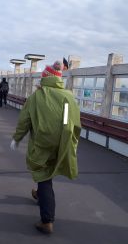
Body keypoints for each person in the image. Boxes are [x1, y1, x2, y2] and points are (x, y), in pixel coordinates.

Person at [10, 61, 81, 234]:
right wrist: (71, 142)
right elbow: (73, 123)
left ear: (44, 78)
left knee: (43, 176)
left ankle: (47, 220)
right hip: (62, 142)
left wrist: (17, 138)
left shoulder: (36, 96)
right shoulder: (68, 97)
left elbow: (25, 120)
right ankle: (39, 193)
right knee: (47, 172)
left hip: (42, 142)